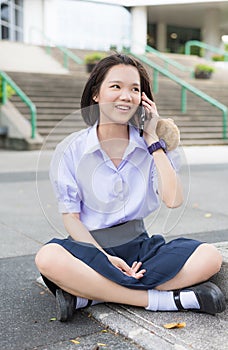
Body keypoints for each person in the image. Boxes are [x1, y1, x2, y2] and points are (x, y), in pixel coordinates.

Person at [35, 53, 226, 322]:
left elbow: (173, 200)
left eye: (135, 89)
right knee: (48, 257)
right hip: (90, 248)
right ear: (95, 94)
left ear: (143, 100)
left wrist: (152, 139)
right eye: (116, 86)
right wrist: (104, 257)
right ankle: (164, 301)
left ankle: (89, 294)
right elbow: (71, 218)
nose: (126, 95)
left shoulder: (154, 146)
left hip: (140, 248)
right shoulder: (70, 149)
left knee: (209, 257)